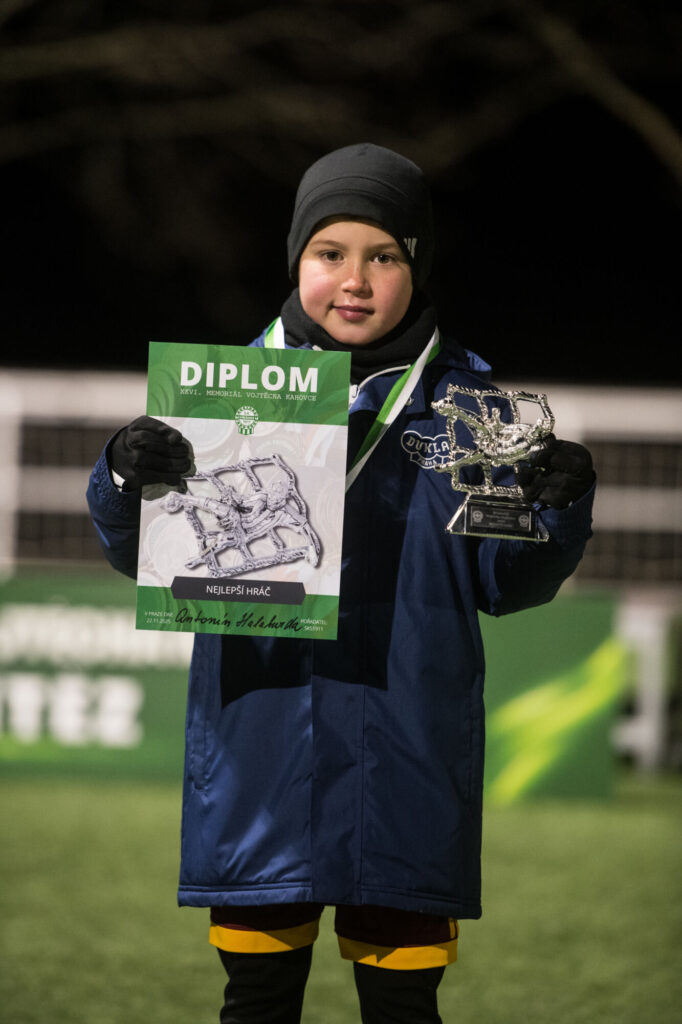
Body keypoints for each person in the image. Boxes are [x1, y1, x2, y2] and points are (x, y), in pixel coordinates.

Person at [87, 143, 596, 1024]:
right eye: (331, 252)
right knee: (257, 1000)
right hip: (259, 751)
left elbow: (508, 582)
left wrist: (556, 510)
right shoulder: (217, 397)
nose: (354, 280)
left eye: (383, 256)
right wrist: (125, 477)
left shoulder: (473, 413)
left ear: (416, 267)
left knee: (403, 1007)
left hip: (407, 754)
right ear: (297, 260)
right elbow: (143, 557)